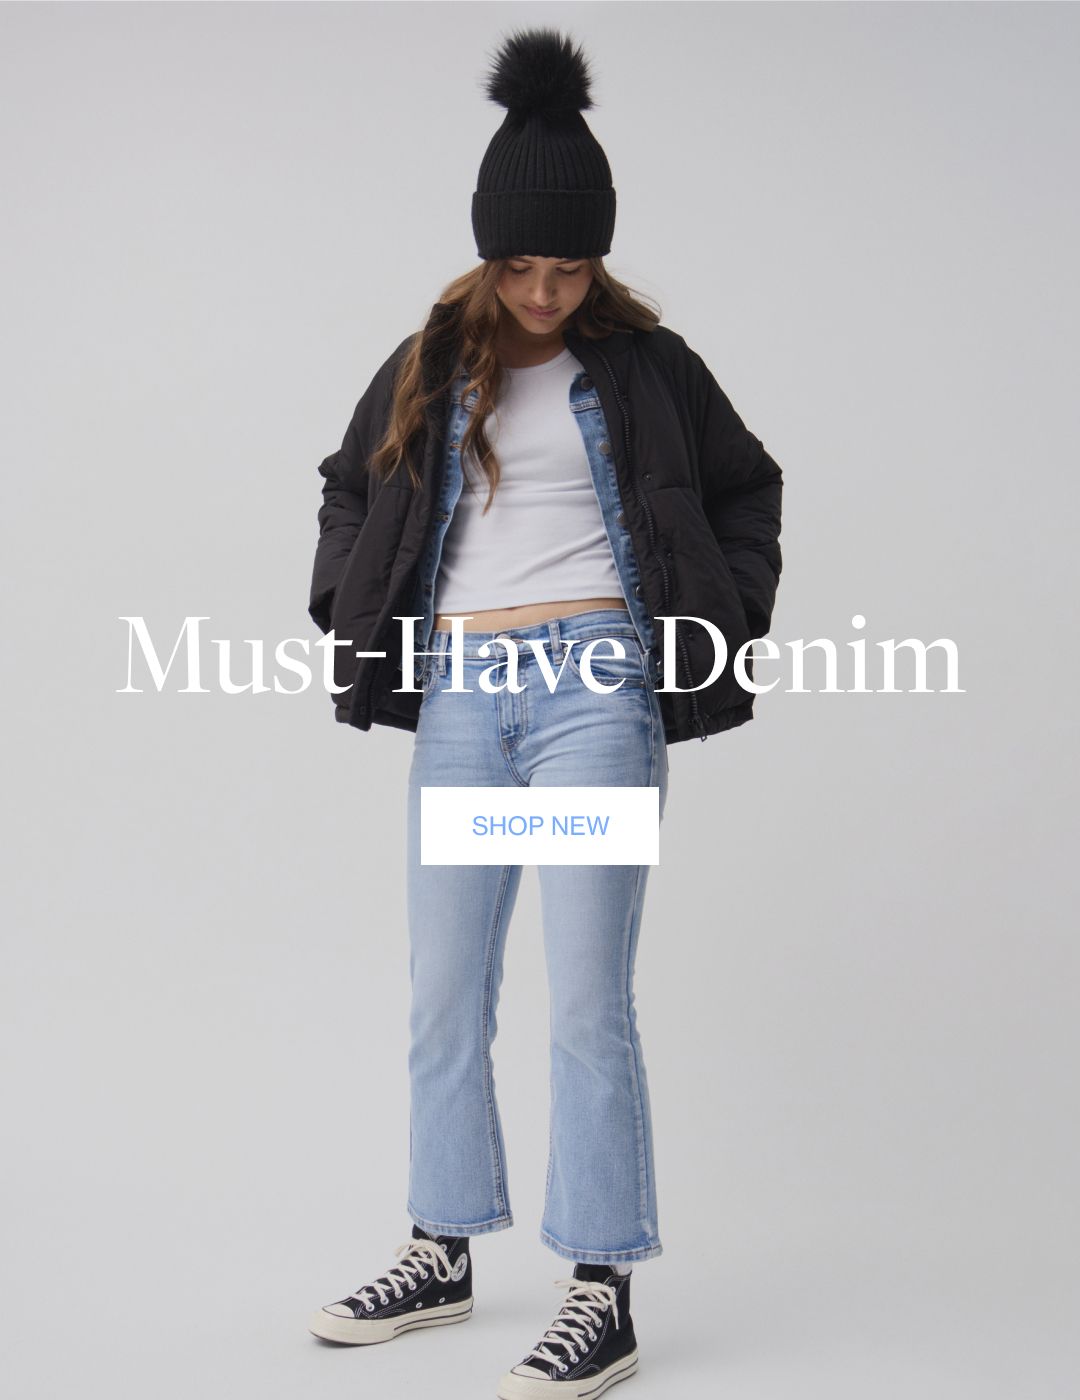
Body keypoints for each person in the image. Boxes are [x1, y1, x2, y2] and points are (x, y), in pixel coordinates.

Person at [305, 26, 783, 1399]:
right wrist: (349, 600)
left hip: (592, 699)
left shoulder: (650, 369)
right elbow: (347, 486)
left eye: (567, 268)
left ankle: (600, 1290)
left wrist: (719, 615)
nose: (541, 290)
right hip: (466, 702)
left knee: (585, 1002)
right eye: (520, 265)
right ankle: (442, 1248)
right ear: (486, 253)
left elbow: (746, 488)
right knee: (445, 994)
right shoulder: (427, 364)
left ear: (598, 259)